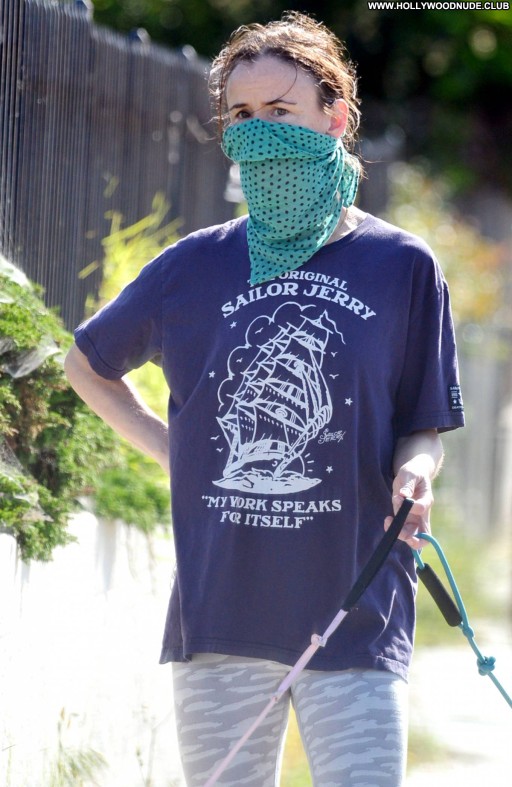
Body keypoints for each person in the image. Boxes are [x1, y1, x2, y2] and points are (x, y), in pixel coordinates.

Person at [65, 11, 465, 786]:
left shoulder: (403, 266)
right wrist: (171, 448)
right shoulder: (194, 266)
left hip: (357, 614)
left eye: (281, 111)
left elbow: (424, 424)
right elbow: (87, 364)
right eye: (242, 116)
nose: (259, 132)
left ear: (335, 117)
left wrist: (418, 472)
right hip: (221, 616)